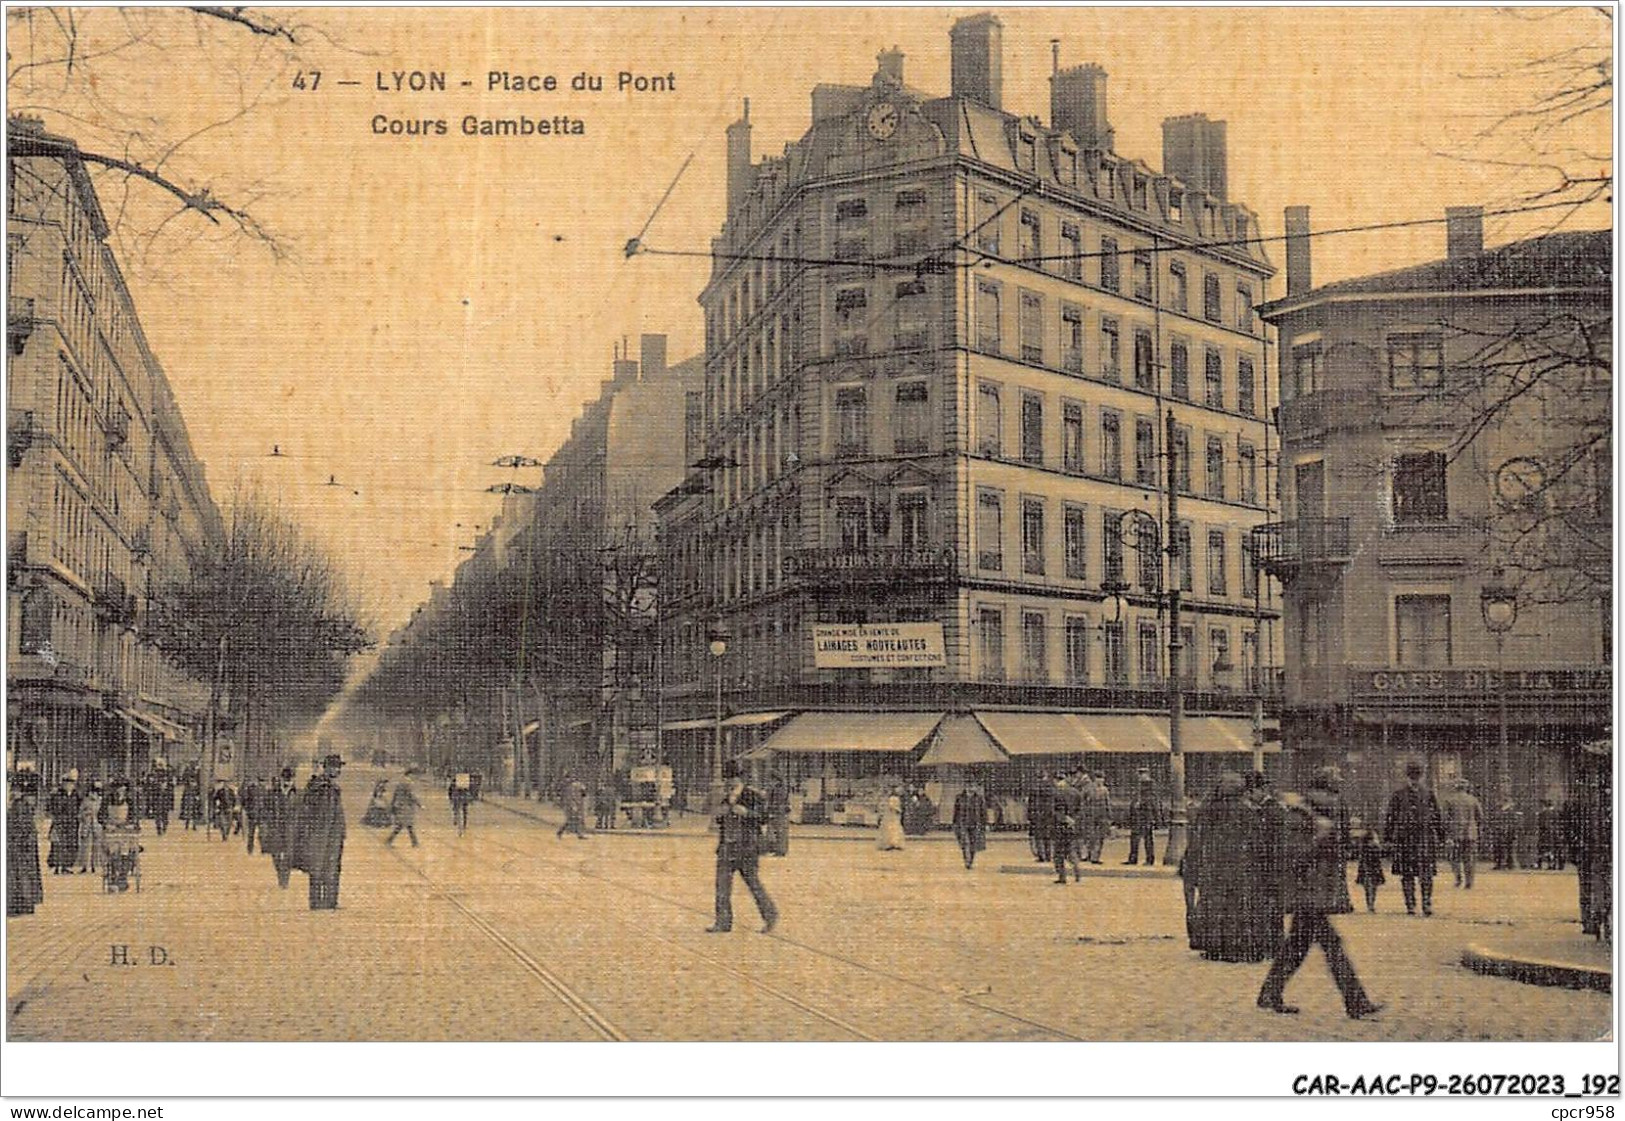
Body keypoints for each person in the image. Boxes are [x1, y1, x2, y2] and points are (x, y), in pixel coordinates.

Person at [1257, 768, 1383, 1020]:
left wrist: (1356, 839)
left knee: (1297, 946)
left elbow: (1335, 850)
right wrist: (1319, 836)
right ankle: (1356, 1001)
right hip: (1306, 894)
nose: (1335, 800)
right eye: (1331, 793)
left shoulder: (1320, 815)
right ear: (1318, 792)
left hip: (1315, 894)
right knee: (1331, 945)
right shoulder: (1299, 815)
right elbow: (1294, 854)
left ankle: (1269, 993)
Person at [706, 762, 777, 934]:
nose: (729, 783)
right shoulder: (725, 797)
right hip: (726, 847)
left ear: (741, 779)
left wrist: (746, 813)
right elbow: (718, 820)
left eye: (733, 780)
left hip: (747, 848)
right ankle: (723, 922)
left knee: (754, 884)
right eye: (727, 780)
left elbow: (764, 817)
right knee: (722, 887)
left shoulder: (753, 795)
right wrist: (721, 814)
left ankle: (770, 916)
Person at [1383, 761, 1445, 917]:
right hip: (1408, 839)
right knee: (1409, 874)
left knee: (1425, 874)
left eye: (1417, 775)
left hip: (1423, 838)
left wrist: (1442, 836)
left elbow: (1437, 816)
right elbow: (1391, 817)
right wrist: (1388, 838)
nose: (1415, 778)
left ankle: (1425, 903)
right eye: (1414, 775)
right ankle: (1411, 904)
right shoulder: (1401, 794)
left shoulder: (1427, 793)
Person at [292, 754, 347, 910]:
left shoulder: (323, 786)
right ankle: (324, 902)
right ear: (328, 768)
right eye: (336, 767)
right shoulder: (325, 788)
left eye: (339, 767)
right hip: (324, 835)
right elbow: (325, 814)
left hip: (327, 835)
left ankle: (322, 901)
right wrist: (328, 835)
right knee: (324, 866)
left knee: (323, 867)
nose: (338, 770)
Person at [7, 763, 44, 916]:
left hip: (19, 844)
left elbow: (20, 826)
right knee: (23, 874)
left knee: (19, 874)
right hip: (22, 843)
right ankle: (24, 903)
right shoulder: (21, 806)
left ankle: (19, 903)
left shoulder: (19, 806)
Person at [259, 767, 299, 889]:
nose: (288, 781)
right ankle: (280, 872)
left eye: (290, 779)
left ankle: (284, 879)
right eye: (286, 778)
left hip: (291, 829)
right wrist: (265, 824)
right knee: (276, 854)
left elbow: (302, 812)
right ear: (281, 779)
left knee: (288, 855)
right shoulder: (272, 794)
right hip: (275, 828)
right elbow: (264, 810)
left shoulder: (298, 794)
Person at [1441, 777, 1484, 889]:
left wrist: (1446, 833)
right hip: (1470, 833)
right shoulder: (1473, 800)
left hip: (1455, 833)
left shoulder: (1449, 800)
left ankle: (1458, 878)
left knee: (1454, 857)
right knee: (1469, 858)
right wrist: (1476, 827)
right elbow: (1480, 816)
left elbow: (1445, 818)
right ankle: (1469, 881)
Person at [44, 770, 82, 875]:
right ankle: (57, 866)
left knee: (71, 844)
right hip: (60, 822)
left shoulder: (76, 795)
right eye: (67, 783)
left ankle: (67, 865)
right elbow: (50, 807)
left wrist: (78, 816)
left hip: (73, 823)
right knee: (57, 845)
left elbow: (80, 807)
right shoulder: (57, 794)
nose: (69, 785)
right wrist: (53, 816)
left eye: (71, 783)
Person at [1051, 774, 1083, 884]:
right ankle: (1077, 871)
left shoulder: (1057, 793)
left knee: (1058, 853)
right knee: (1071, 850)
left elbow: (1057, 810)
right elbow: (1080, 809)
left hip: (1060, 826)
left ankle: (1062, 876)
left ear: (1057, 780)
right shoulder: (1075, 792)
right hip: (1072, 826)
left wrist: (1064, 818)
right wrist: (1074, 820)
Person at [1125, 771, 1159, 865]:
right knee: (1135, 838)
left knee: (1147, 839)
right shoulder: (1139, 789)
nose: (1140, 777)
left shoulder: (1149, 790)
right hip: (1137, 817)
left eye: (1142, 775)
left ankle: (1149, 859)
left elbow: (1153, 804)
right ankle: (1133, 858)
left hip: (1145, 817)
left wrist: (1155, 818)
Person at [952, 782, 988, 870]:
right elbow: (956, 811)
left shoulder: (979, 798)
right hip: (963, 823)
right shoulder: (959, 797)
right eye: (969, 786)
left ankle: (971, 860)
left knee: (973, 844)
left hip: (975, 824)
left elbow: (983, 812)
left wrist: (985, 823)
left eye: (973, 786)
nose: (971, 788)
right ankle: (966, 860)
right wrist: (954, 823)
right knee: (965, 842)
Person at [386, 769, 422, 847]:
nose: (415, 777)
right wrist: (419, 804)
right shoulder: (408, 783)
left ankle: (414, 842)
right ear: (410, 774)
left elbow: (395, 794)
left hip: (400, 805)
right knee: (405, 824)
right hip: (406, 806)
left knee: (406, 824)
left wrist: (393, 804)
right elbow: (412, 795)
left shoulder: (401, 781)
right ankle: (390, 840)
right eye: (415, 775)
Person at [1355, 827, 1386, 913]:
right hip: (1372, 868)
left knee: (1369, 887)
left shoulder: (1365, 846)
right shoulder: (1373, 846)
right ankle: (1371, 904)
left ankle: (1370, 904)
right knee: (1372, 887)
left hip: (1369, 867)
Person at [76, 781, 104, 874]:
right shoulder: (86, 800)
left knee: (96, 847)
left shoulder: (101, 801)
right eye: (93, 790)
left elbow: (103, 813)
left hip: (96, 825)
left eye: (97, 791)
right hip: (87, 825)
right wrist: (86, 815)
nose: (95, 793)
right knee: (85, 847)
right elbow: (80, 813)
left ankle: (94, 866)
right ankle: (84, 866)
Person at [1027, 773, 1054, 864]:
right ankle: (1048, 855)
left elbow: (1031, 804)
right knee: (1047, 836)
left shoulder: (1034, 788)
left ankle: (1041, 855)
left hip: (1037, 815)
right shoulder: (1051, 787)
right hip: (1047, 815)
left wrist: (1030, 816)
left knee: (1038, 836)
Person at [141, 763, 174, 835]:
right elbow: (151, 793)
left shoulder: (168, 784)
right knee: (158, 816)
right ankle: (159, 828)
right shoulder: (154, 784)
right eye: (158, 771)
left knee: (165, 816)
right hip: (157, 802)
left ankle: (164, 827)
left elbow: (171, 795)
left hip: (165, 802)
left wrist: (171, 805)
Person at [1085, 773, 1110, 864]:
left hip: (1102, 816)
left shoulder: (1105, 790)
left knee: (1100, 837)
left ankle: (1095, 857)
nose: (1100, 780)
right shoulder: (1089, 789)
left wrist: (1109, 817)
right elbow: (1084, 801)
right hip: (1091, 815)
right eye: (1098, 778)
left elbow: (1107, 804)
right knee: (1090, 836)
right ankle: (1089, 854)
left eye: (1102, 778)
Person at [763, 775, 790, 858]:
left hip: (778, 812)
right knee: (777, 831)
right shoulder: (780, 789)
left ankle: (779, 849)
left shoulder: (778, 790)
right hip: (780, 811)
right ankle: (778, 849)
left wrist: (771, 811)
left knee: (778, 831)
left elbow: (776, 802)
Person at [877, 786, 906, 852]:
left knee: (894, 829)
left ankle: (894, 843)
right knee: (892, 829)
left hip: (894, 816)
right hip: (892, 816)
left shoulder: (895, 798)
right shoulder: (893, 798)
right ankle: (891, 843)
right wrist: (898, 810)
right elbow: (892, 806)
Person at [241, 775, 265, 853]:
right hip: (252, 813)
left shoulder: (263, 789)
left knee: (262, 832)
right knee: (251, 832)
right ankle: (250, 848)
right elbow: (245, 800)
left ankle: (263, 848)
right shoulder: (250, 788)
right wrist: (248, 809)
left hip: (261, 813)